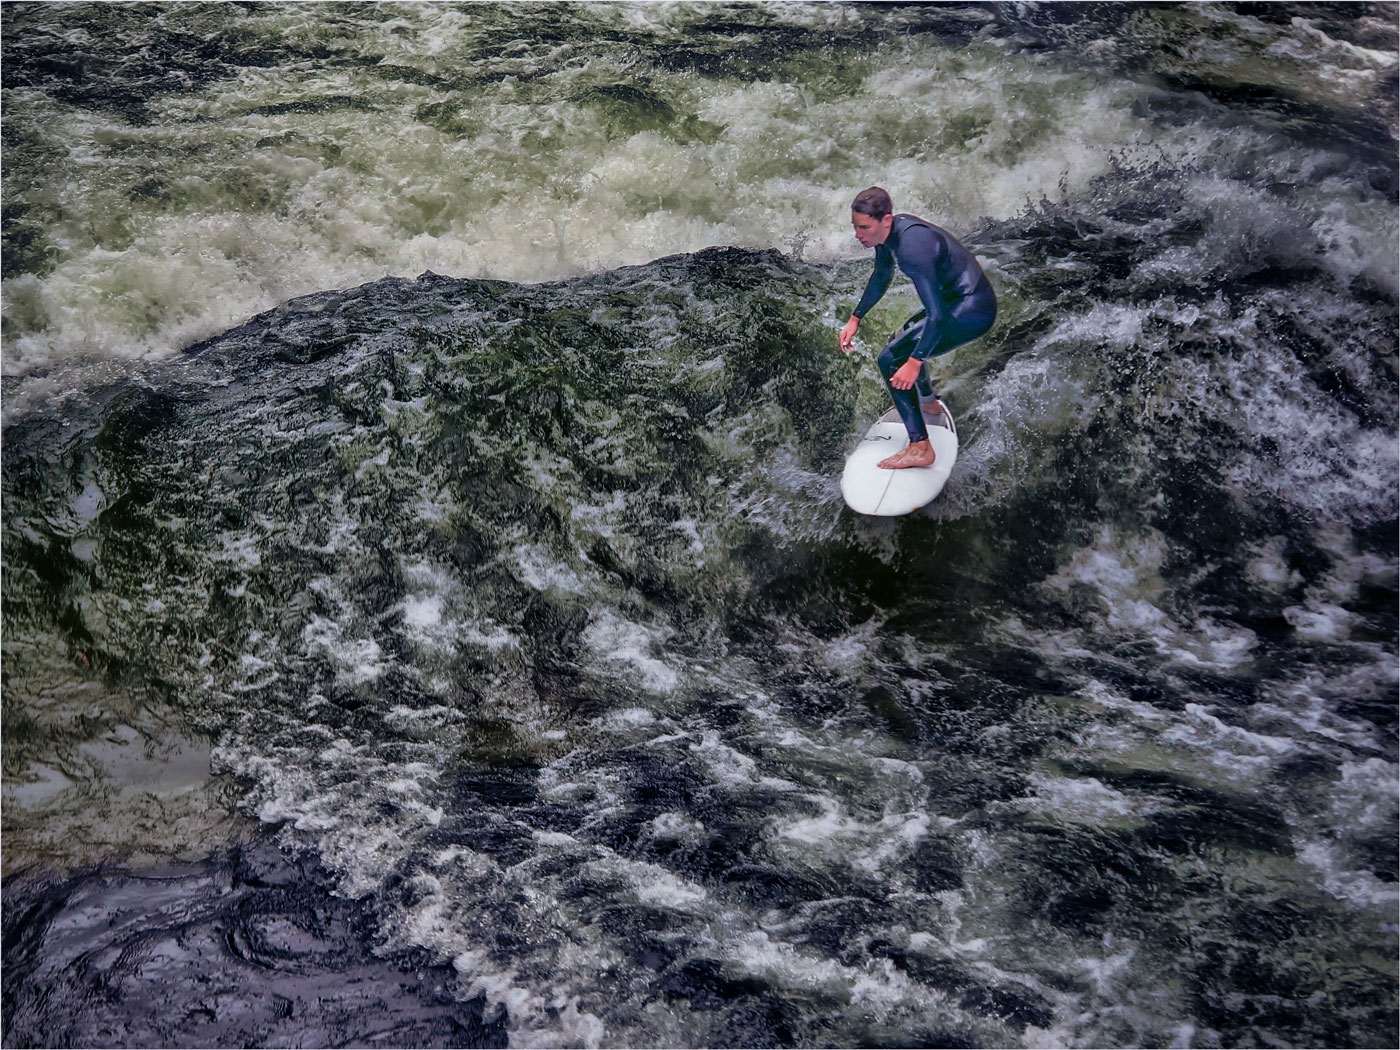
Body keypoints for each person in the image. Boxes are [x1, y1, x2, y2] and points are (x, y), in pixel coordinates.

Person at [838, 187, 997, 469]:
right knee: (899, 340)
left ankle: (920, 446)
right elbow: (882, 273)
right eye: (855, 226)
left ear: (885, 220)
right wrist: (855, 318)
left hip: (972, 309)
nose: (858, 234)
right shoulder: (889, 235)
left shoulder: (912, 249)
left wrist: (914, 362)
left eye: (864, 227)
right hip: (956, 302)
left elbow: (937, 316)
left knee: (891, 358)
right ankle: (929, 404)